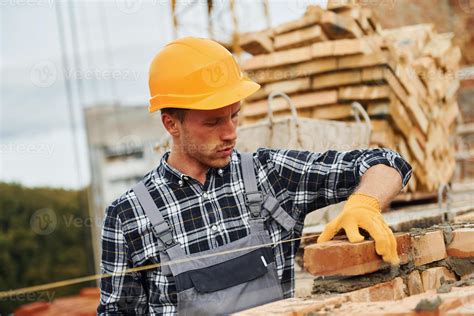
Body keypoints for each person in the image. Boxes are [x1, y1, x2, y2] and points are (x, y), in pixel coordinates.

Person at [97, 37, 412, 315]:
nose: (231, 133)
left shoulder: (270, 176)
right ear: (171, 124)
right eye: (213, 122)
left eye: (235, 116)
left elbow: (385, 161)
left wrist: (365, 203)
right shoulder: (129, 216)